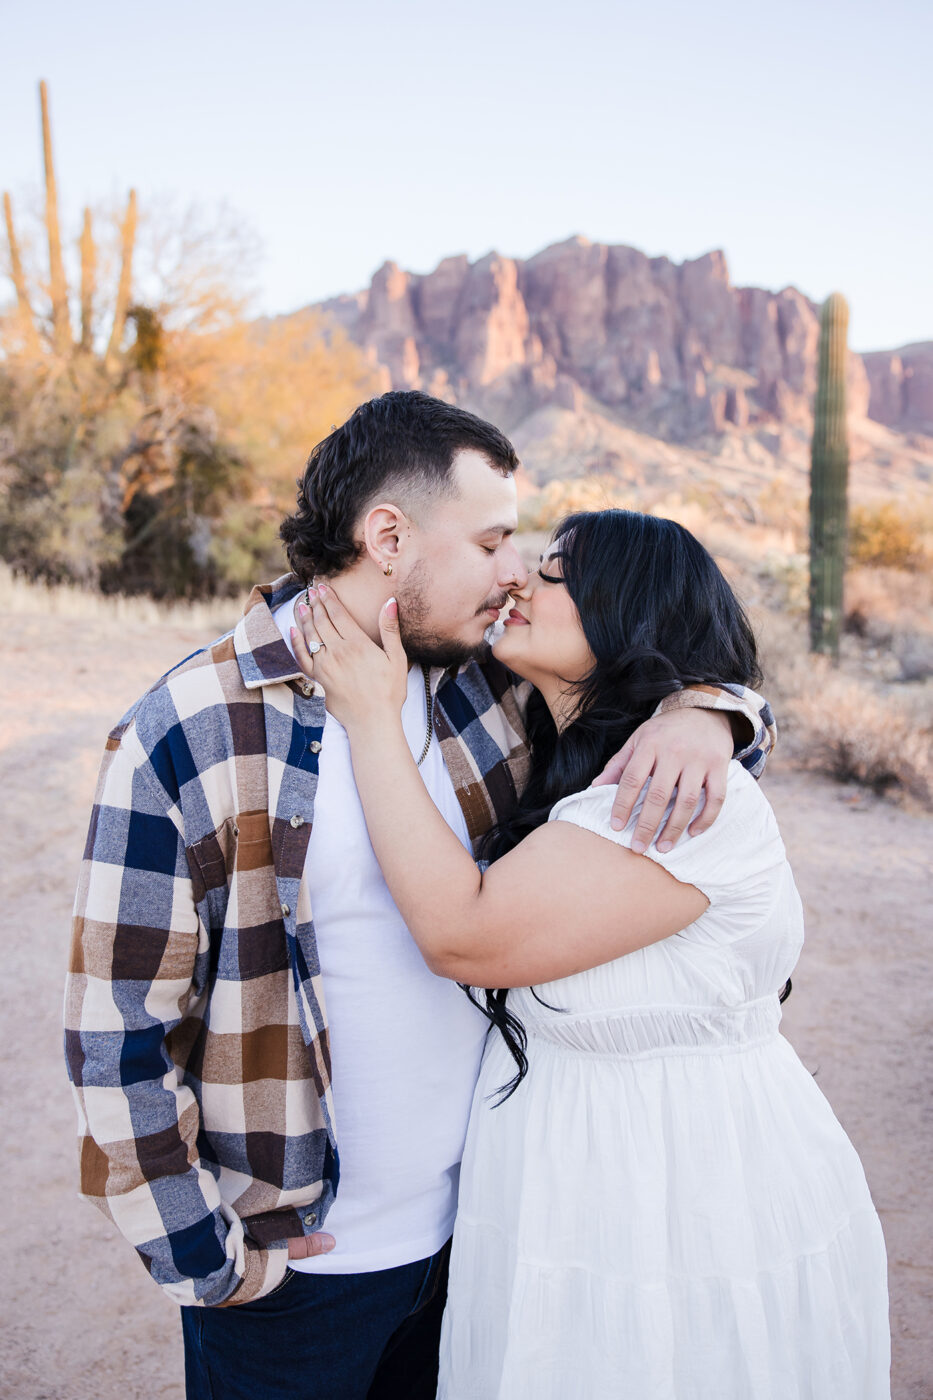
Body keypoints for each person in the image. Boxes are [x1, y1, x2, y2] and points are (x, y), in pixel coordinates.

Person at [65, 393, 774, 1400]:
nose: (514, 571)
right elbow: (117, 1034)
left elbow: (656, 655)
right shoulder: (187, 731)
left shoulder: (485, 682)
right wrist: (211, 1264)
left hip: (482, 1236)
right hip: (299, 1279)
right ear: (388, 535)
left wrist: (713, 711)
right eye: (493, 540)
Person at [292, 506, 890, 1400]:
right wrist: (714, 705)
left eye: (561, 571)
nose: (520, 580)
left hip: (680, 1192)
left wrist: (372, 721)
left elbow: (462, 934)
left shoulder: (674, 801)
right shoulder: (560, 752)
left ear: (632, 615)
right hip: (560, 1183)